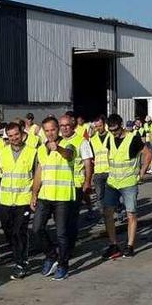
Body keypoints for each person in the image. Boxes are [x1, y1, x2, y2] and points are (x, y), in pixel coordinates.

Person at [101, 114, 152, 260]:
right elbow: (110, 154)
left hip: (128, 183)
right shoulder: (110, 138)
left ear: (121, 125)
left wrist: (141, 173)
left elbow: (148, 154)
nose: (114, 133)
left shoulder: (133, 138)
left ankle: (129, 246)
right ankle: (113, 244)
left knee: (131, 214)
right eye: (111, 130)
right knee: (108, 213)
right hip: (112, 182)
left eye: (116, 130)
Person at [31, 117, 76, 281]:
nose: (50, 133)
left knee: (62, 234)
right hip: (45, 196)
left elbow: (69, 155)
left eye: (53, 129)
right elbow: (39, 172)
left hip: (62, 197)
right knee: (37, 229)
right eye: (47, 130)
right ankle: (51, 255)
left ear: (58, 129)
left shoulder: (68, 144)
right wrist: (34, 193)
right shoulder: (41, 149)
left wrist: (58, 148)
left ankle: (63, 265)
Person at [0, 122, 37, 280]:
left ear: (22, 134)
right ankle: (17, 255)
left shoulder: (32, 153)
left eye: (16, 135)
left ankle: (21, 263)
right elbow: (0, 175)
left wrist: (34, 196)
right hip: (5, 200)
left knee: (19, 231)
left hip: (23, 200)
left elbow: (37, 176)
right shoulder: (2, 152)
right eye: (10, 136)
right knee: (8, 231)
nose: (14, 138)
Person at [59, 115, 93, 257]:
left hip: (76, 186)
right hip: (60, 186)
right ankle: (63, 244)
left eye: (67, 125)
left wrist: (87, 182)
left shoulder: (81, 141)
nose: (65, 128)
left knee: (71, 219)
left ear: (72, 126)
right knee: (60, 219)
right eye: (62, 126)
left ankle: (69, 247)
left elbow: (88, 164)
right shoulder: (59, 141)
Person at [89, 115, 111, 217]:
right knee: (99, 196)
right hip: (98, 172)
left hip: (110, 171)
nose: (98, 128)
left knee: (112, 195)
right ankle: (104, 217)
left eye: (100, 126)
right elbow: (91, 157)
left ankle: (120, 211)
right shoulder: (92, 140)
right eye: (96, 126)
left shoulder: (111, 136)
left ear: (104, 124)